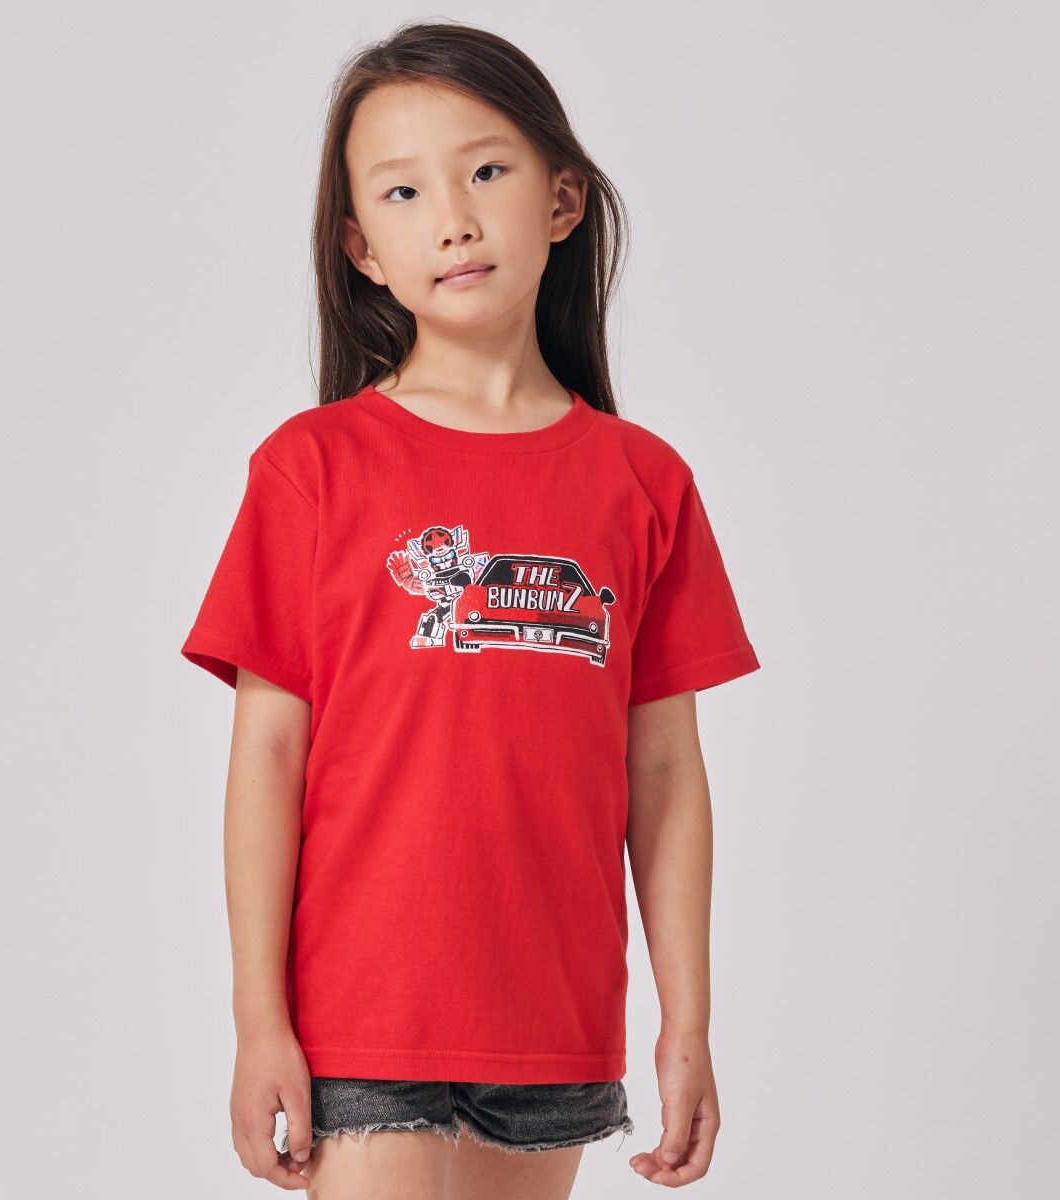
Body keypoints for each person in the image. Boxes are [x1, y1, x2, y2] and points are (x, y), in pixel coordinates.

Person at [180, 19, 760, 1199]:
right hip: (361, 1015)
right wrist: (258, 1020)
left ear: (562, 199)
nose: (451, 217)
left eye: (486, 170)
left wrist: (687, 1023)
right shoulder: (311, 469)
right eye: (403, 191)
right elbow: (268, 758)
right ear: (360, 248)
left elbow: (664, 774)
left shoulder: (644, 484)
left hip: (553, 1021)